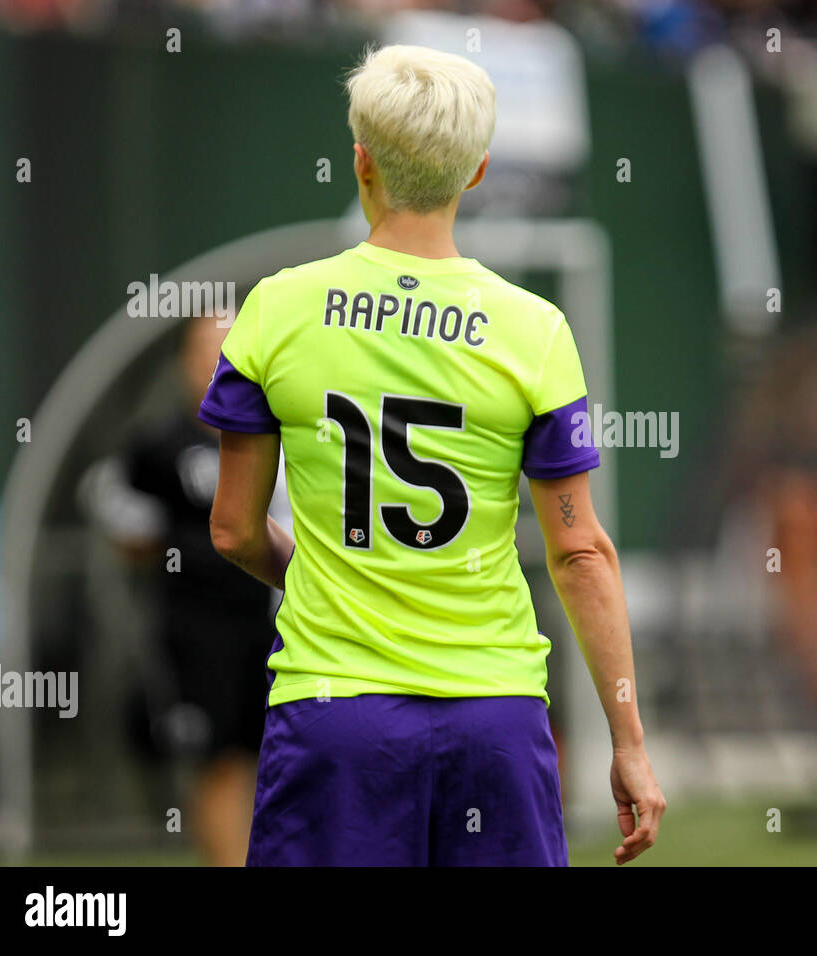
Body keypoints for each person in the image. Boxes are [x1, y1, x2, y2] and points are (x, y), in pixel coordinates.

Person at [198, 44, 664, 866]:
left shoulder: (275, 310)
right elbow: (580, 551)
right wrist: (627, 738)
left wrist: (332, 579)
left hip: (335, 712)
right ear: (477, 171)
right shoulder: (534, 331)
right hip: (493, 716)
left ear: (361, 161)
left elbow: (234, 531)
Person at [80, 313, 283, 865]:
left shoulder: (288, 434)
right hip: (201, 634)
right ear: (182, 363)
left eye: (229, 349)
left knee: (288, 758)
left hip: (285, 628)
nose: (216, 364)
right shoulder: (159, 447)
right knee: (218, 759)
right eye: (204, 351)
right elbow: (125, 520)